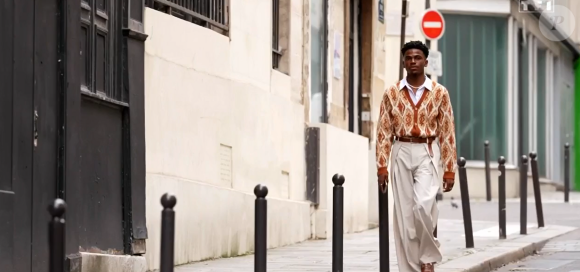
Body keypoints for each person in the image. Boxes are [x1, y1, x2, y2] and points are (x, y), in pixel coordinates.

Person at [375, 40, 457, 272]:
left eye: (417, 58)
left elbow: (448, 131)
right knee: (404, 217)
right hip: (400, 150)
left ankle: (428, 258)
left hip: (427, 151)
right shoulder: (391, 93)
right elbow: (382, 131)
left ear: (426, 61)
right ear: (403, 62)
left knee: (422, 206)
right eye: (409, 58)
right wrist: (381, 166)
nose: (413, 61)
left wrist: (449, 169)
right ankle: (412, 267)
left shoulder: (440, 93)